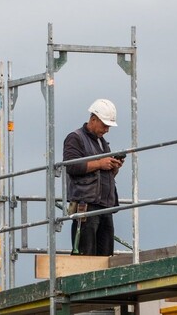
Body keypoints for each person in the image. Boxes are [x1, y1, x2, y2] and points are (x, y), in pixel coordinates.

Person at [64, 98, 125, 256]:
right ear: (93, 119)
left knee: (106, 257)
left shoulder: (102, 143)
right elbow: (71, 166)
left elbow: (104, 173)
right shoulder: (75, 138)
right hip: (86, 206)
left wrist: (113, 167)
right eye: (105, 125)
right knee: (86, 255)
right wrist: (100, 163)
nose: (106, 130)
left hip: (104, 206)